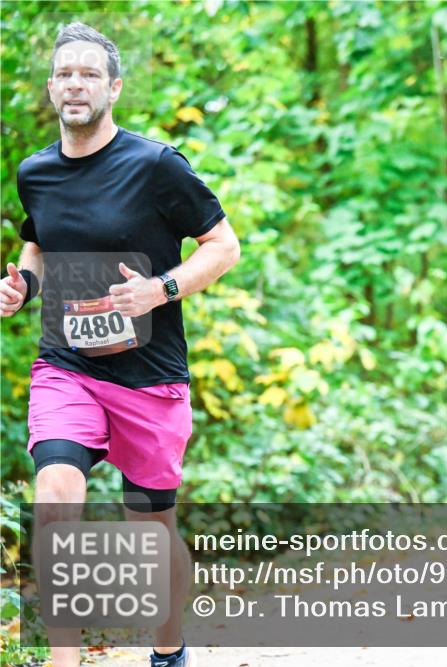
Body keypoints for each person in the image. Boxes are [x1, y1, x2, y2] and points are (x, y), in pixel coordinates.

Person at [1, 23, 240, 667]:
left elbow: (224, 246)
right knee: (55, 493)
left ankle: (169, 650)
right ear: (52, 87)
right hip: (66, 366)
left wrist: (161, 290)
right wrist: (22, 282)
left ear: (113, 87)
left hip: (149, 378)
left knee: (151, 529)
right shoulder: (37, 172)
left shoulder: (157, 166)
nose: (75, 83)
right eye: (65, 73)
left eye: (89, 73)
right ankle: (64, 660)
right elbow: (39, 240)